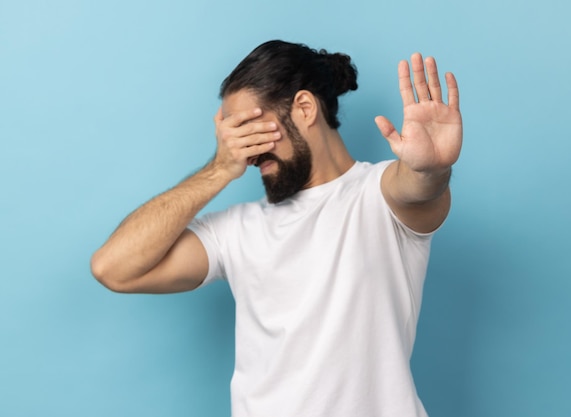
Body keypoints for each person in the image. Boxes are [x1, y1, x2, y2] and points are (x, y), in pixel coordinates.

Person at [91, 40, 462, 417]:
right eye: (231, 136)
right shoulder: (235, 231)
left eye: (249, 128)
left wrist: (432, 168)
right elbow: (113, 268)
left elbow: (418, 188)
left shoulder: (379, 195)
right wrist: (218, 170)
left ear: (304, 108)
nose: (246, 152)